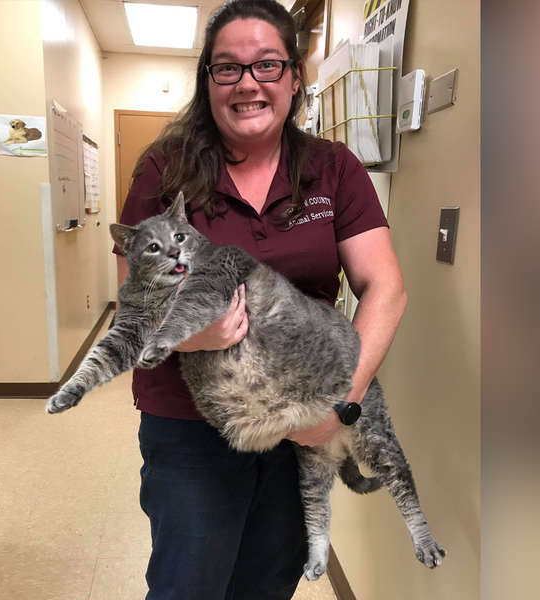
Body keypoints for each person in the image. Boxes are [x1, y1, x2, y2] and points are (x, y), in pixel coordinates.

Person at [114, 1, 407, 597]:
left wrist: (340, 407)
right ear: (208, 81)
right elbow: (136, 299)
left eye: (267, 65)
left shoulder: (333, 169)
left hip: (300, 423)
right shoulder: (164, 170)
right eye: (227, 68)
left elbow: (386, 288)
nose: (248, 83)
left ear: (294, 78)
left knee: (268, 581)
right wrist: (195, 334)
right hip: (193, 426)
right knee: (186, 584)